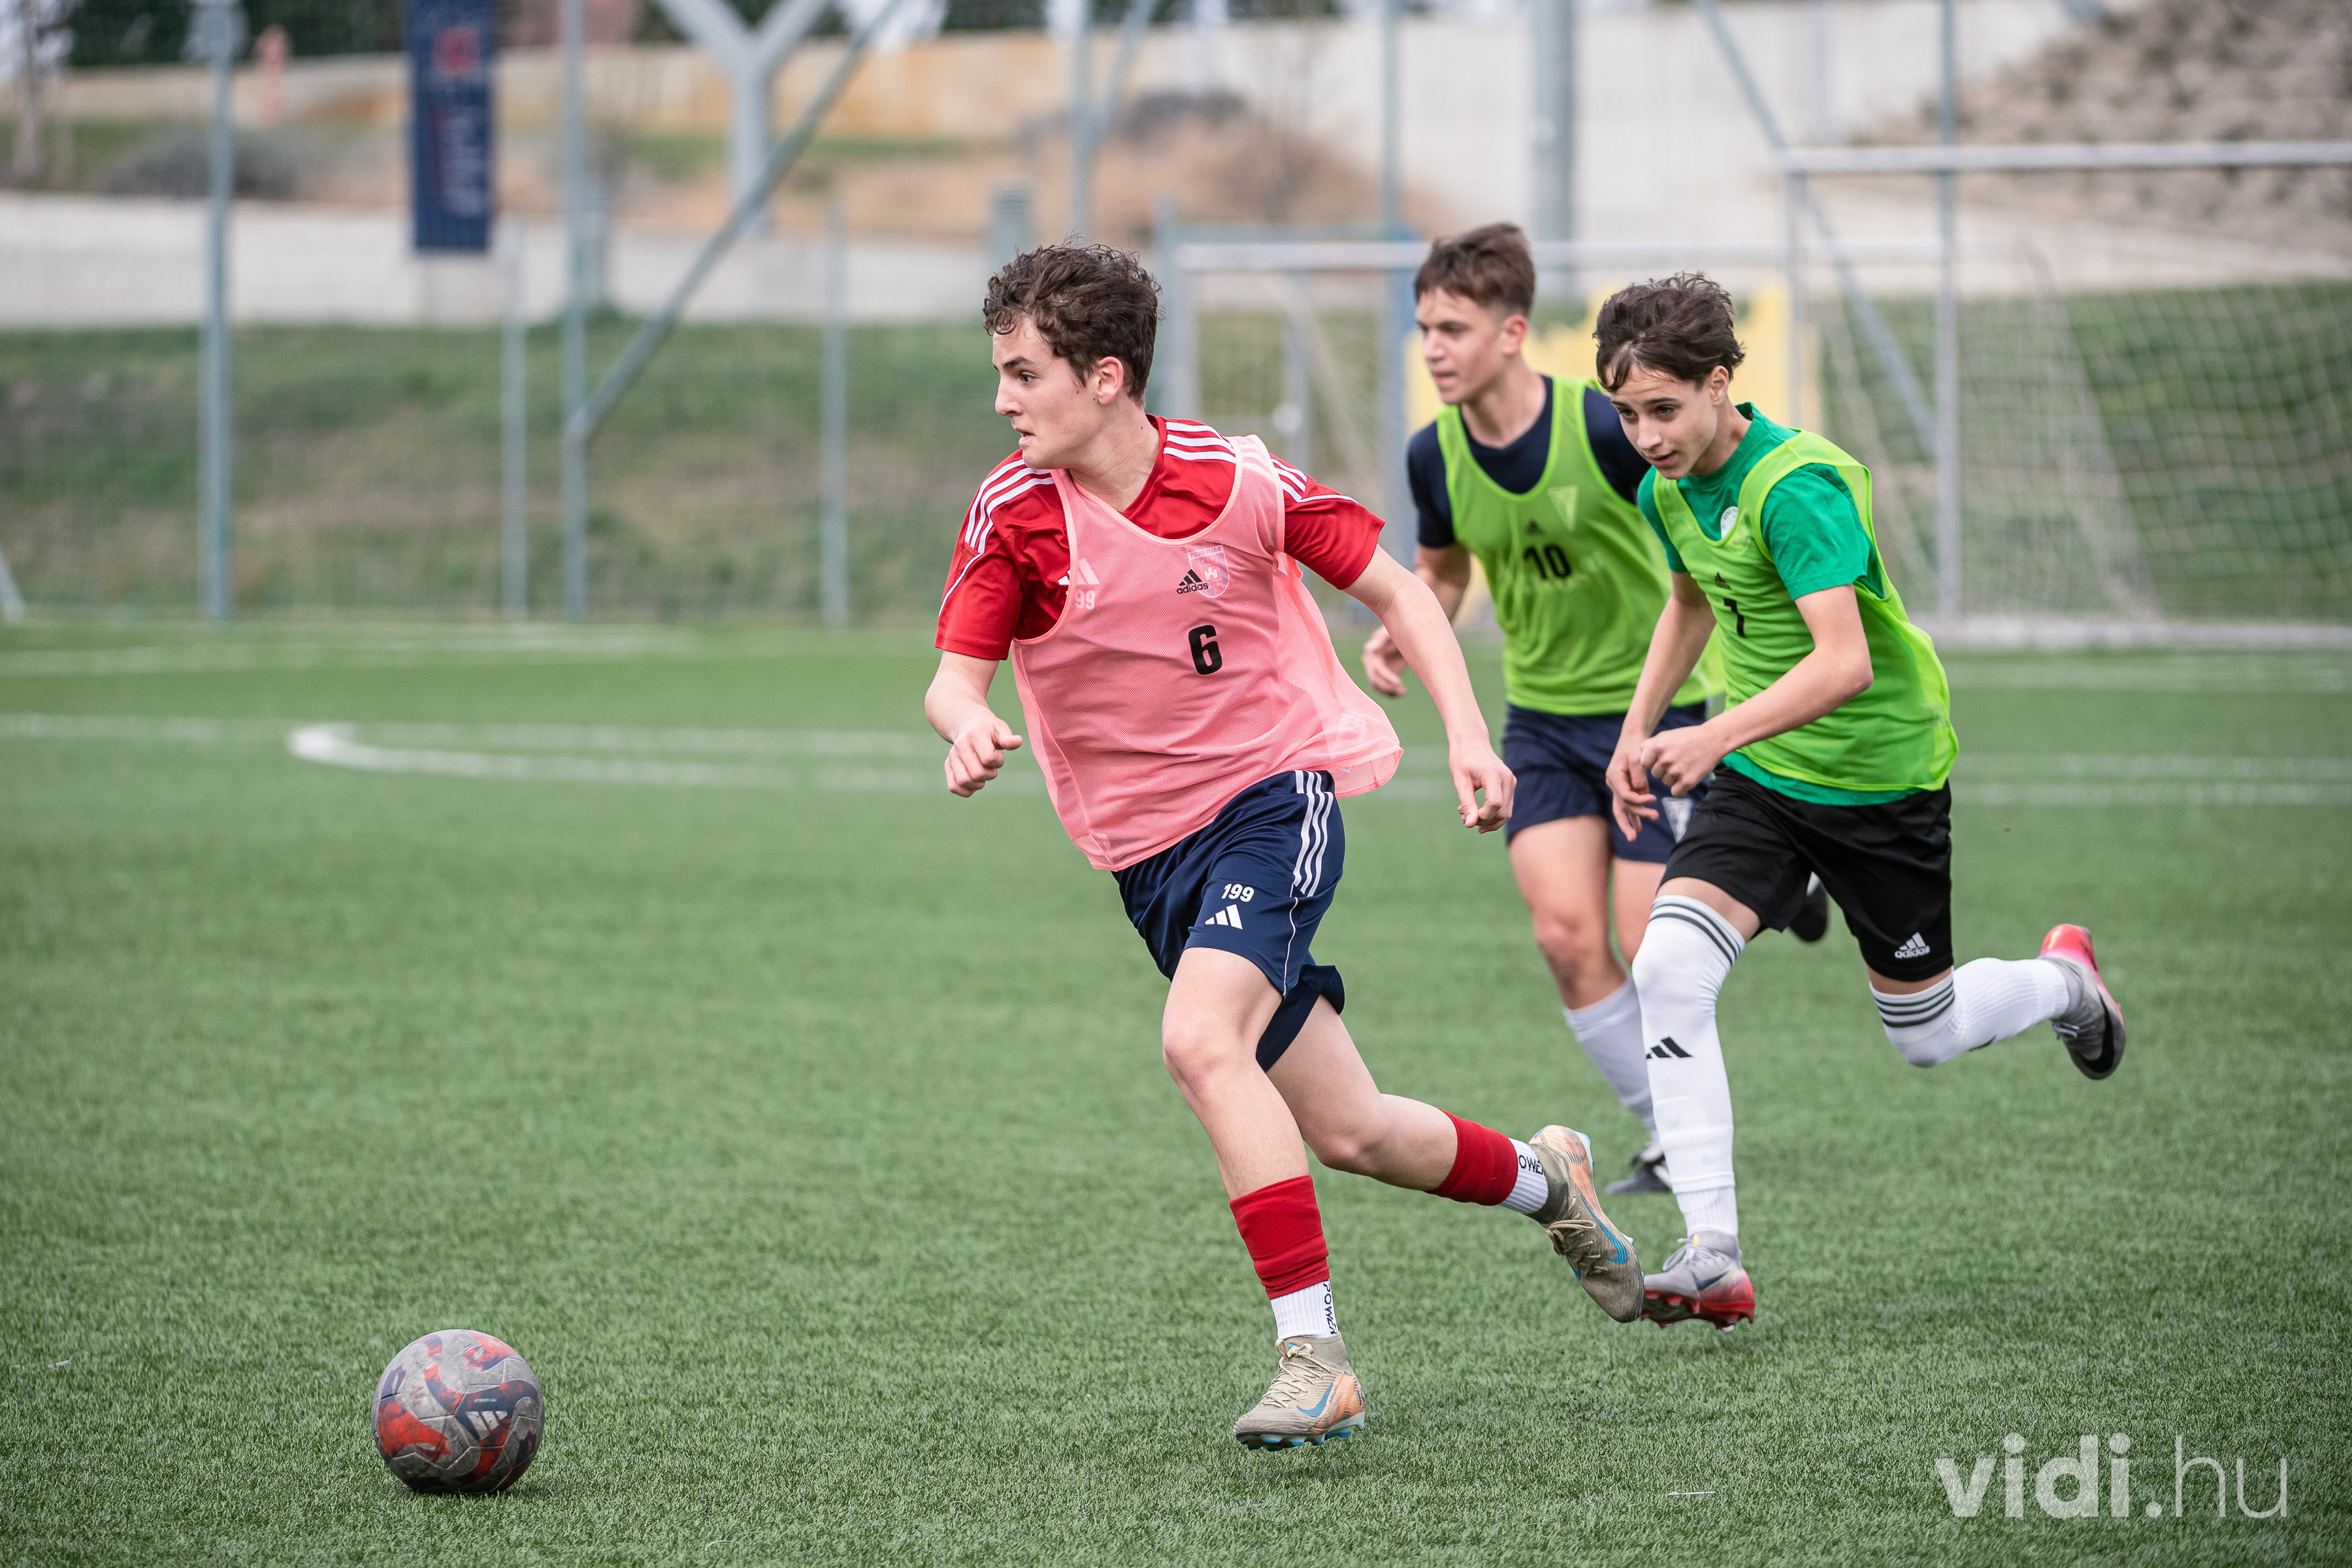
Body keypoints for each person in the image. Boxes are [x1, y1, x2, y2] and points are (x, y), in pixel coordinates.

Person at [925, 242, 1642, 1450]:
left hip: (1272, 799)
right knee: (1354, 1129)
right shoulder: (1016, 514)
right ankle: (1549, 1180)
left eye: (1023, 373)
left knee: (1201, 1041)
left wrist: (1470, 737)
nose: (1003, 401)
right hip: (1151, 860)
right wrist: (967, 725)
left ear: (1106, 377)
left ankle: (1317, 1360)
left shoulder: (1240, 480)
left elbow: (1401, 592)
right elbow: (953, 678)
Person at [1596, 273, 2127, 1330]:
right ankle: (1712, 1251)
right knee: (1666, 967)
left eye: (1664, 409)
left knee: (1925, 1033)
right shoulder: (1666, 487)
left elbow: (1844, 664)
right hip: (1763, 775)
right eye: (1626, 413)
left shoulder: (1795, 487)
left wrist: (1707, 734)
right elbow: (1691, 599)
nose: (1646, 436)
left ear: (1719, 383)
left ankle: (2065, 983)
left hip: (1879, 779)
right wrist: (1637, 727)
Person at [1361, 225, 1826, 1200]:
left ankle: (1783, 873)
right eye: (1425, 329)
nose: (1434, 348)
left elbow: (1700, 546)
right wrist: (1408, 626)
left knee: (1651, 948)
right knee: (1567, 941)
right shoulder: (1433, 455)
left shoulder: (1612, 427)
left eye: (1453, 328)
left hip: (1652, 717)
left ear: (1512, 332)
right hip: (1539, 725)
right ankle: (1669, 1133)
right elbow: (1443, 573)